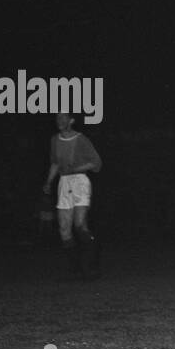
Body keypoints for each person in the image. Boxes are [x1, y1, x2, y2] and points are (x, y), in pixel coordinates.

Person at [42, 112, 101, 279]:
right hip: (64, 182)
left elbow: (96, 163)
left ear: (71, 121)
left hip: (80, 181)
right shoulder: (55, 140)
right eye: (57, 118)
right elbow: (55, 162)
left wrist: (75, 169)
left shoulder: (81, 139)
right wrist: (48, 181)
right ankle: (75, 269)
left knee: (80, 225)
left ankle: (91, 265)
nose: (59, 121)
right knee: (64, 229)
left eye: (63, 118)